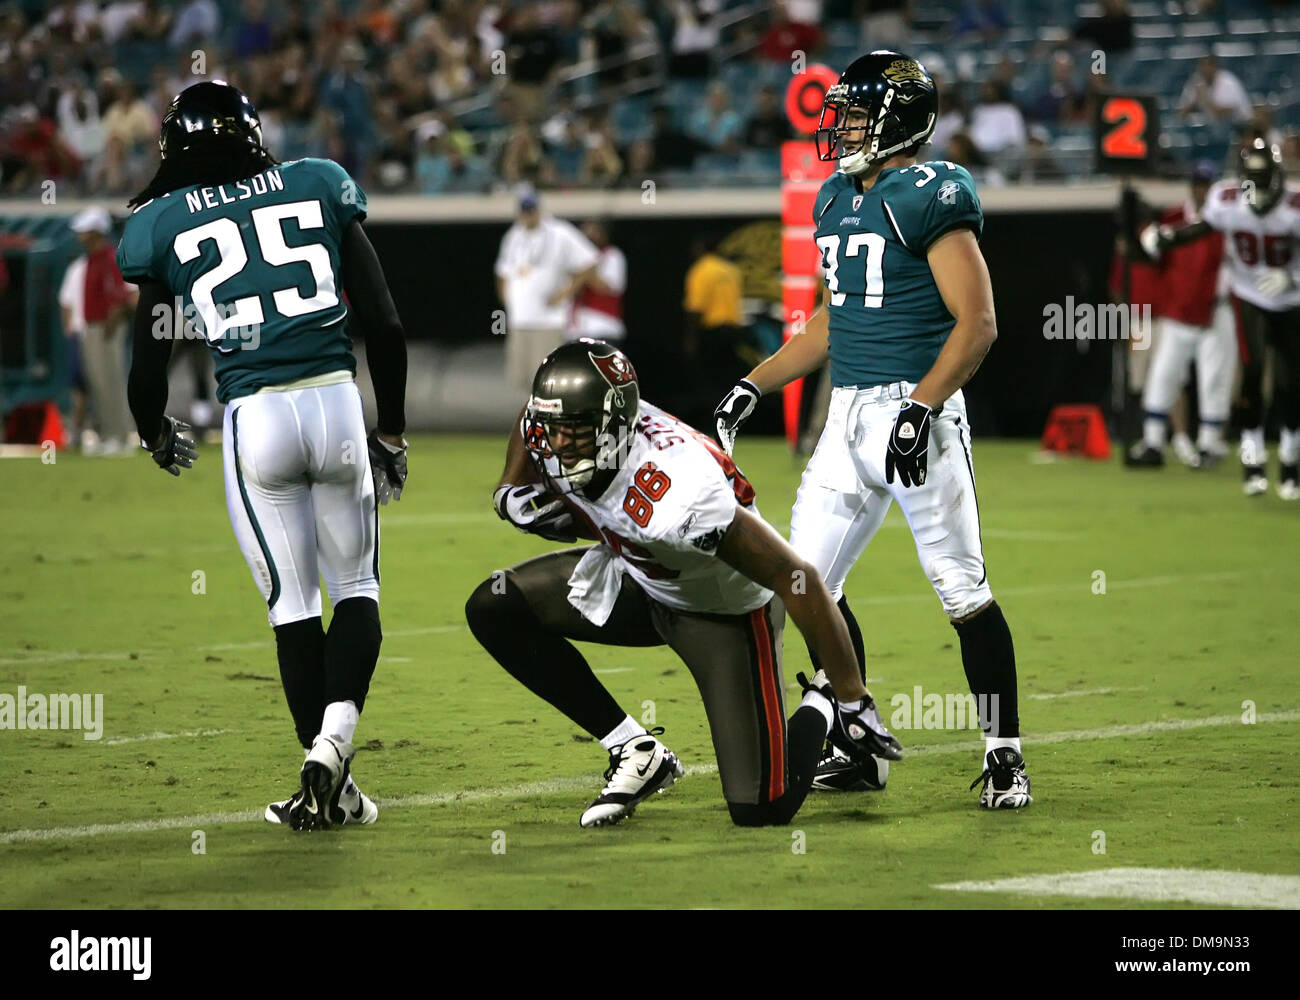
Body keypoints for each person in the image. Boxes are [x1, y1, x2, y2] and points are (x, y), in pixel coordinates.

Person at [714, 52, 1032, 808]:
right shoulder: (832, 198)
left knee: (961, 586)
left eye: (855, 115)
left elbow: (978, 323)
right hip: (846, 416)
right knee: (802, 582)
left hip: (917, 408)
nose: (842, 129)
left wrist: (921, 408)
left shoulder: (929, 193)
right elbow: (834, 321)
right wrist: (753, 383)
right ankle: (860, 742)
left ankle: (1005, 755)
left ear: (899, 121)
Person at [119, 81, 410, 830]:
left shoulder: (160, 226)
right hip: (336, 400)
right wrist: (392, 433)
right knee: (357, 590)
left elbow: (148, 362)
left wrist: (154, 431)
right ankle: (335, 761)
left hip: (255, 417)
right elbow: (383, 321)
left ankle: (325, 763)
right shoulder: (318, 182)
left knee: (293, 608)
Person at [467, 339, 901, 828]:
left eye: (573, 432)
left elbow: (794, 577)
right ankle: (635, 751)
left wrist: (850, 696)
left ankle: (820, 698)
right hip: (638, 580)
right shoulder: (564, 425)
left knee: (762, 809)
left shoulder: (682, 492)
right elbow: (532, 421)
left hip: (723, 616)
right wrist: (509, 489)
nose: (558, 445)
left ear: (613, 426)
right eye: (554, 429)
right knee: (493, 607)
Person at [1144, 139, 1300, 500]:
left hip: (1291, 299)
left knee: (1291, 384)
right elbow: (1202, 227)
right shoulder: (1228, 200)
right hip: (1249, 293)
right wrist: (1168, 238)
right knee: (1252, 372)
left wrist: (1291, 277)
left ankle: (1291, 459)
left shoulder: (1294, 206)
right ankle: (1253, 457)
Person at [1126, 162, 1233, 469]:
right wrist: (1137, 233)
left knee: (1215, 379)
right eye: (1197, 183)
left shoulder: (1226, 220)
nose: (1200, 189)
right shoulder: (1174, 217)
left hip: (1216, 308)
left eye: (1205, 184)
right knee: (1163, 376)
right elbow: (1148, 253)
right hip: (1179, 310)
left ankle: (1210, 444)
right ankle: (1153, 441)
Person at [495, 188, 599, 394]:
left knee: (547, 378)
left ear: (539, 209)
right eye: (524, 210)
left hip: (548, 320)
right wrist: (508, 300)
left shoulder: (560, 232)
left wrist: (566, 293)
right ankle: (529, 424)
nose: (527, 215)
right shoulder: (513, 235)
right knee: (521, 379)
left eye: (531, 210)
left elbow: (589, 262)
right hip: (520, 320)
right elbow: (503, 272)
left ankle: (549, 423)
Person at [69, 207, 136, 454]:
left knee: (111, 382)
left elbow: (120, 295)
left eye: (85, 231)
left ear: (96, 232)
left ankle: (119, 438)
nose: (80, 236)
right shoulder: (93, 259)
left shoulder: (109, 258)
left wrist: (111, 323)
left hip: (105, 328)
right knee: (98, 383)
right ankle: (108, 434)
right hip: (94, 326)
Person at [569, 219, 627, 343]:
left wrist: (586, 270)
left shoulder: (611, 255)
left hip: (603, 327)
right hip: (575, 329)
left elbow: (610, 287)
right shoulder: (574, 258)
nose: (589, 237)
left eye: (594, 232)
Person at [1178, 55, 1252, 125]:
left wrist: (1204, 97)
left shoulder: (1228, 82)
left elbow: (1221, 115)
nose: (1205, 69)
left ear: (1215, 67)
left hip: (1241, 126)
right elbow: (1181, 114)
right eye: (1202, 66)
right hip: (1213, 130)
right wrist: (1193, 103)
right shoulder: (1196, 80)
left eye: (1208, 66)